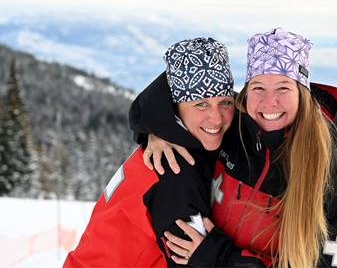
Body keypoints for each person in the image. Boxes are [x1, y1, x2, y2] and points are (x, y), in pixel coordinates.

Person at [138, 28, 337, 268]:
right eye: (258, 88)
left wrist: (219, 257)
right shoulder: (231, 127)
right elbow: (186, 96)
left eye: (283, 88)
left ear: (302, 94)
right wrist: (161, 130)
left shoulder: (325, 165)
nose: (269, 101)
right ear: (246, 93)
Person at [64, 37, 263, 267]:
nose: (216, 117)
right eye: (200, 104)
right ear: (175, 107)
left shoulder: (176, 137)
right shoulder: (175, 171)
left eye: (225, 103)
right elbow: (192, 260)